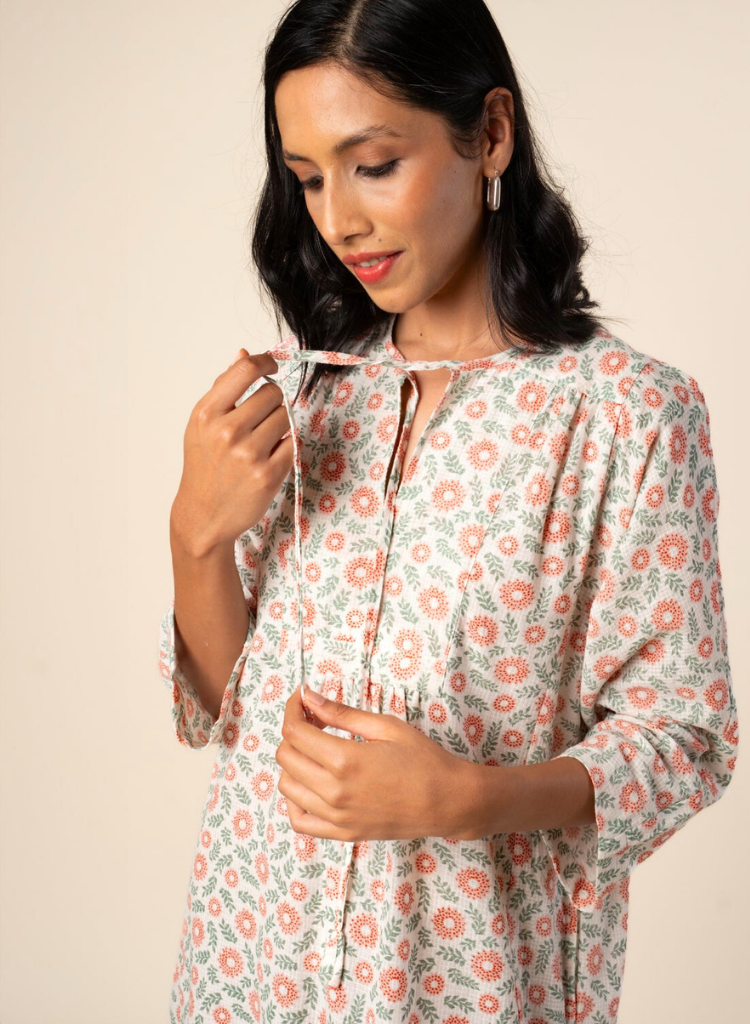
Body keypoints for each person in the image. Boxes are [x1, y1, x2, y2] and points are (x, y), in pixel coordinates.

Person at [158, 1, 739, 1021]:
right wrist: (195, 534)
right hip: (249, 971)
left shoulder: (625, 413)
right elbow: (224, 712)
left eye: (374, 164)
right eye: (308, 179)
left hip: (470, 986)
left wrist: (466, 799)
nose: (338, 220)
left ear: (492, 134)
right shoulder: (303, 396)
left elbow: (684, 737)